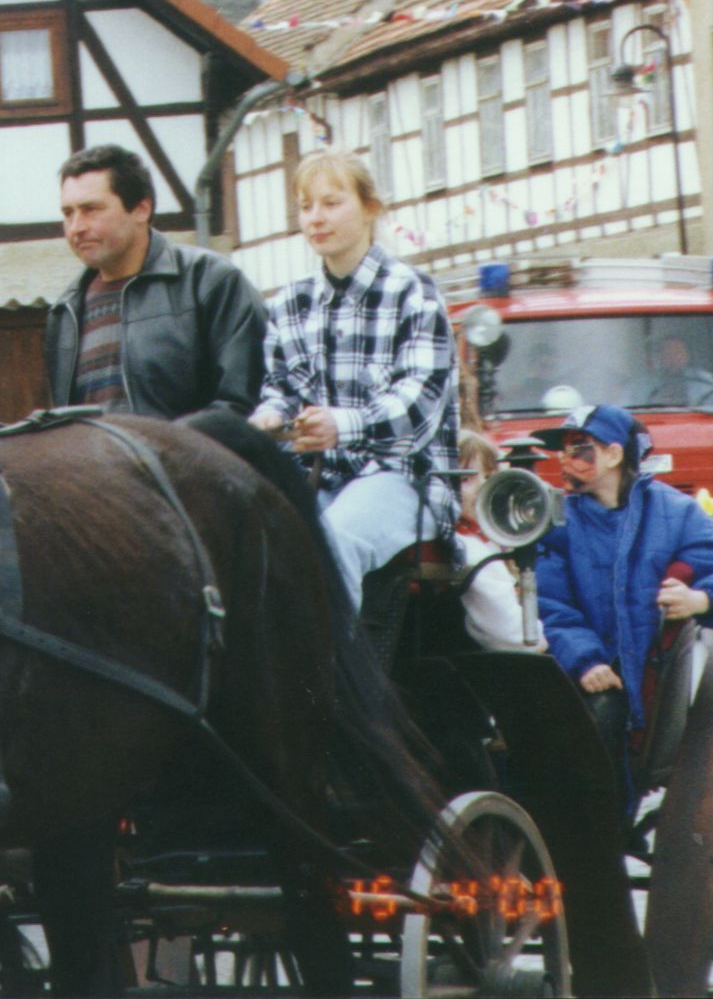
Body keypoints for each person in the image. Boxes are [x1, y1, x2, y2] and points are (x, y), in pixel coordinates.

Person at [250, 150, 459, 612]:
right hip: (320, 480)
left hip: (407, 479)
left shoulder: (414, 292)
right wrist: (268, 418)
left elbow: (418, 410)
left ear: (369, 208)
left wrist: (341, 426)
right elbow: (279, 390)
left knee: (329, 541)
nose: (316, 218)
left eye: (331, 203)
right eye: (306, 207)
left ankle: (332, 680)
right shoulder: (290, 303)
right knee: (245, 537)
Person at [531, 403, 713, 803]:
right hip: (593, 676)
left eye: (578, 447)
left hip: (663, 681)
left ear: (614, 454)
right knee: (599, 717)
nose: (563, 459)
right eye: (561, 449)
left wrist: (700, 598)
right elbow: (552, 606)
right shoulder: (556, 521)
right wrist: (586, 661)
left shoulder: (677, 512)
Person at [43, 144, 267, 419]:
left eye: (91, 209)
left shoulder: (210, 282)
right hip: (96, 462)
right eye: (68, 213)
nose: (76, 227)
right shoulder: (65, 312)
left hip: (192, 462)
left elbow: (241, 404)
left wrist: (164, 455)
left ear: (141, 209)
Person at [455, 430, 547, 653]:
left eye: (489, 476)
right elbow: (517, 637)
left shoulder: (490, 539)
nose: (482, 487)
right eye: (466, 479)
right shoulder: (473, 550)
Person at [628, 334, 713, 408]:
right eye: (668, 353)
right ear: (660, 356)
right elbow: (627, 407)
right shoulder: (643, 384)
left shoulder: (705, 380)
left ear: (687, 355)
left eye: (678, 352)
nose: (673, 358)